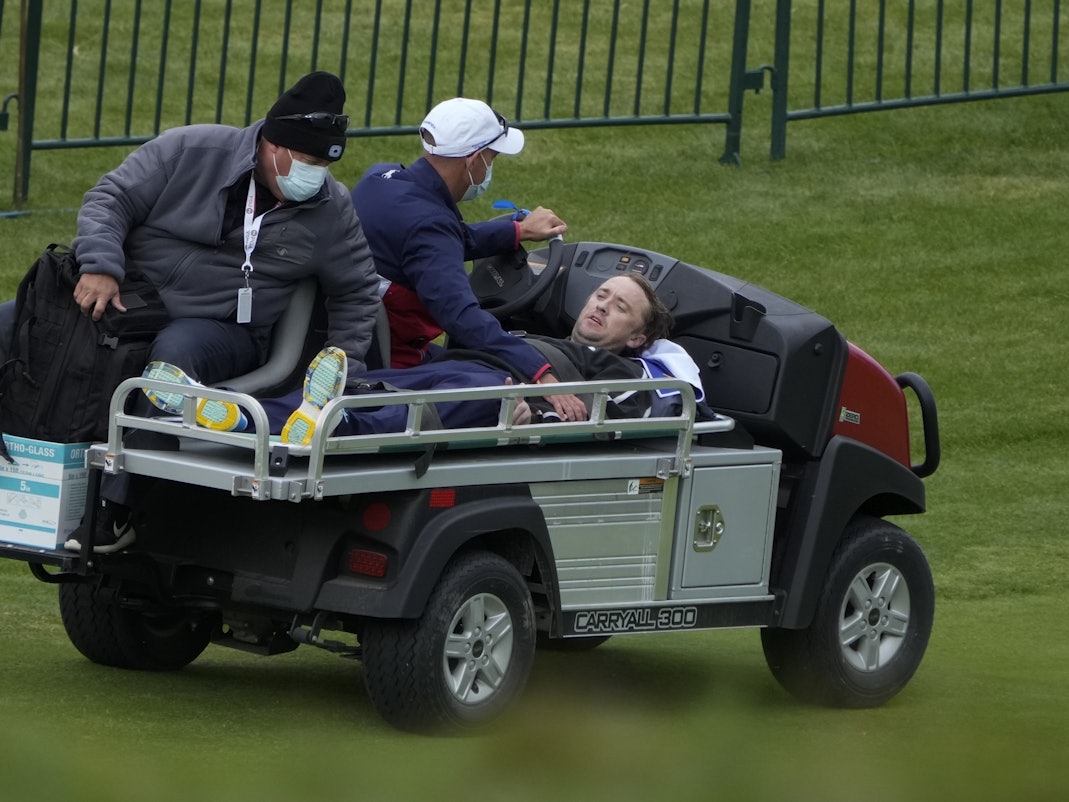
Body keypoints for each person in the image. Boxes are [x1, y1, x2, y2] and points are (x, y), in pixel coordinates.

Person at [54, 71, 381, 550]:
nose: (316, 175)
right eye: (306, 160)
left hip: (224, 331)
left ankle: (117, 510)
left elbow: (358, 290)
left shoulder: (332, 207)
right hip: (132, 300)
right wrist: (101, 265)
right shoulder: (191, 150)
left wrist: (339, 368)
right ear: (272, 144)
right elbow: (111, 198)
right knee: (15, 321)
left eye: (324, 164)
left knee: (174, 356)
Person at [140, 274, 707, 447]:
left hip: (499, 395)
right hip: (466, 363)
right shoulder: (540, 334)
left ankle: (316, 424)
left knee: (400, 408)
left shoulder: (623, 371)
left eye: (621, 308)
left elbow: (640, 409)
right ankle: (239, 415)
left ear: (639, 337)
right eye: (601, 296)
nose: (602, 307)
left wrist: (548, 416)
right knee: (354, 385)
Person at [349, 97, 585, 423]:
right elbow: (462, 316)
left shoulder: (381, 179)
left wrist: (517, 231)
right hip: (390, 366)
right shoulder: (429, 226)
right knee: (492, 382)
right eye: (491, 158)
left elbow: (443, 240)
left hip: (358, 345)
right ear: (473, 161)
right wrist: (540, 371)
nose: (490, 167)